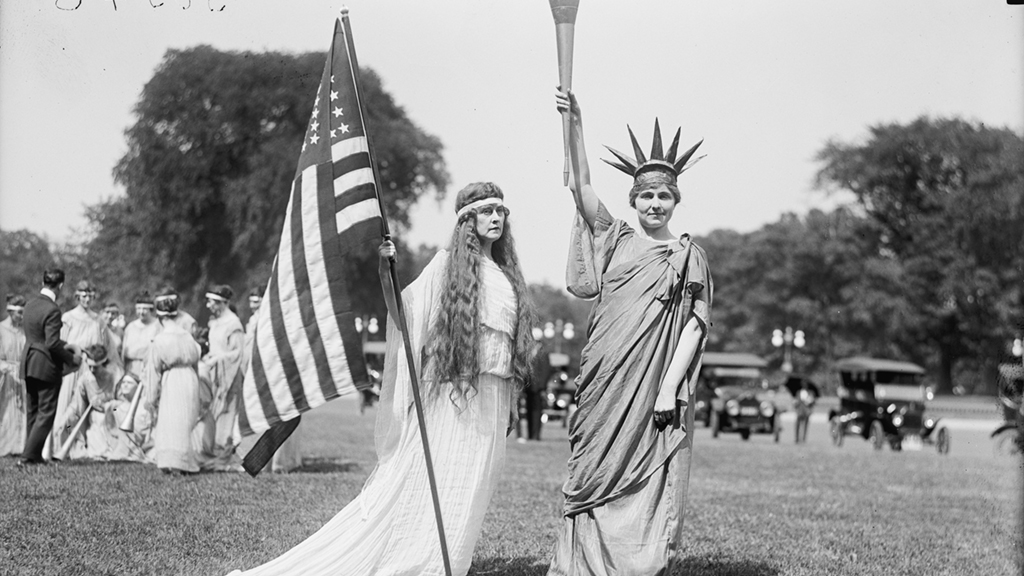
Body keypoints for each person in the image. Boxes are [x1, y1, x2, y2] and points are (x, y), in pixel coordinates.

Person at [228, 182, 536, 576]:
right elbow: (403, 313)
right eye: (486, 211)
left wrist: (508, 403)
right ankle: (428, 559)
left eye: (501, 211)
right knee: (438, 478)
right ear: (466, 221)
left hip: (493, 394)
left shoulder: (506, 275)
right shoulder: (446, 265)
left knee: (475, 481)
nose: (496, 218)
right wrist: (384, 270)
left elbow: (507, 350)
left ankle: (450, 559)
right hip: (455, 393)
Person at [548, 91, 713, 575]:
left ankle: (634, 563)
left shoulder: (688, 256)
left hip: (650, 387)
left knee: (643, 468)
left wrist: (666, 390)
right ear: (633, 200)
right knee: (593, 464)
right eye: (647, 195)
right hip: (604, 380)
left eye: (664, 196)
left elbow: (693, 327)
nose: (655, 204)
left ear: (676, 200)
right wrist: (575, 126)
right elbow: (579, 186)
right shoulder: (615, 236)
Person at [49, 280, 120, 459]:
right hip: (72, 371)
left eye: (90, 295)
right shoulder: (68, 318)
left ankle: (88, 445)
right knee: (70, 410)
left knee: (91, 411)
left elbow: (108, 348)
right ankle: (65, 442)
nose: (87, 298)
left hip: (93, 372)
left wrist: (111, 368)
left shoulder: (98, 321)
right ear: (77, 296)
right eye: (83, 295)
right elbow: (60, 345)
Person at [19, 269, 79, 466]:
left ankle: (33, 455)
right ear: (60, 286)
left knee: (33, 411)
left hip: (28, 362)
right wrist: (71, 358)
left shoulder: (29, 305)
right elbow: (52, 343)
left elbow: (39, 337)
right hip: (45, 365)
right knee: (46, 412)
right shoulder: (52, 309)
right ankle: (28, 456)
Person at [142, 293, 203, 474]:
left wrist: (151, 398)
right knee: (185, 419)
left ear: (159, 317)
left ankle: (175, 463)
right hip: (190, 377)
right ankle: (181, 462)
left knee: (172, 420)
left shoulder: (160, 339)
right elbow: (196, 362)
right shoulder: (187, 336)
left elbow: (153, 371)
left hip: (173, 379)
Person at [59, 344, 147, 462]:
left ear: (104, 364)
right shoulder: (85, 379)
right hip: (94, 419)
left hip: (114, 415)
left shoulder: (116, 376)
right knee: (68, 421)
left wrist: (109, 406)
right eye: (89, 366)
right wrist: (66, 418)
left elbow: (123, 404)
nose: (92, 370)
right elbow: (77, 405)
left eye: (96, 367)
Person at [195, 284, 245, 472]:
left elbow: (236, 353)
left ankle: (223, 456)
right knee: (213, 414)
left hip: (229, 377)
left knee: (226, 415)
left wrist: (217, 358)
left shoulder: (234, 324)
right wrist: (210, 356)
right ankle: (211, 453)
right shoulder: (215, 323)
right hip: (215, 375)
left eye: (212, 302)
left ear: (222, 303)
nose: (208, 305)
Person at [0, 295, 28, 456]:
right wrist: (6, 368)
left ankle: (20, 446)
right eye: (19, 313)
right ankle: (5, 446)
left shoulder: (24, 331)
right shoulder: (1, 329)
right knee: (6, 411)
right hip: (6, 377)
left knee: (21, 410)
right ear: (11, 312)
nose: (21, 317)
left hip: (21, 375)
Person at [122, 292, 161, 377]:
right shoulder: (130, 327)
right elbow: (124, 353)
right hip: (131, 370)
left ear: (151, 309)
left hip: (150, 369)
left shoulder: (158, 326)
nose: (141, 312)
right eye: (139, 309)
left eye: (144, 309)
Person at [794, 380, 817, 444]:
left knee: (806, 425)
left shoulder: (810, 393)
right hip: (800, 411)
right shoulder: (798, 392)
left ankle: (803, 438)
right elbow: (796, 402)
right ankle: (797, 438)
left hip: (806, 411)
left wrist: (810, 401)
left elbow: (813, 402)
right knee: (797, 425)